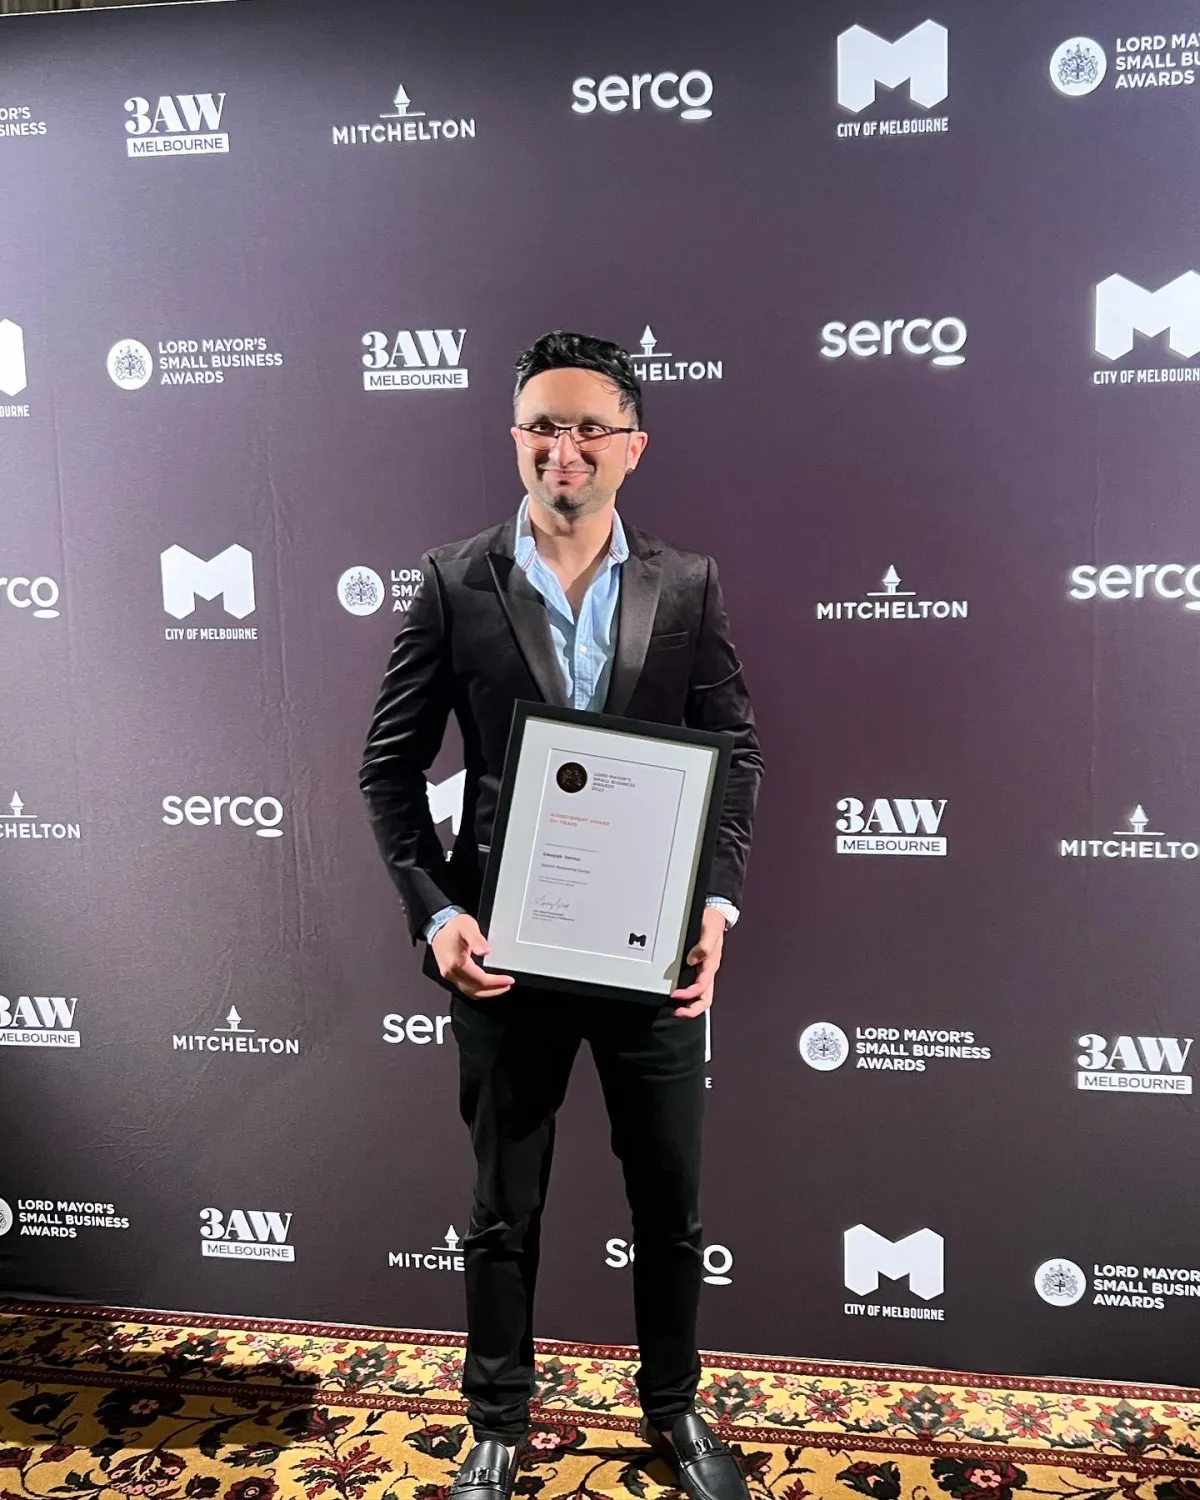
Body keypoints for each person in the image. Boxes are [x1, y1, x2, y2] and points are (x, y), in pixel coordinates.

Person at [360, 331, 763, 1500]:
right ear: (515, 440)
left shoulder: (687, 583)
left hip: (652, 956)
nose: (564, 447)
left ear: (634, 446)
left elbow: (734, 751)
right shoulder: (453, 580)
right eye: (543, 425)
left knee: (669, 1206)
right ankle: (496, 1421)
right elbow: (388, 770)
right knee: (503, 1208)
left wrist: (717, 904)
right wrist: (436, 915)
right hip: (502, 955)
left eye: (590, 427)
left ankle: (675, 1408)